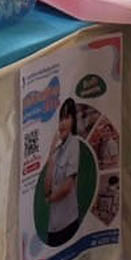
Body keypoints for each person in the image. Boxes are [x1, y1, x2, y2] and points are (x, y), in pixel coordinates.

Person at [42, 98, 86, 244]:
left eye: (67, 117)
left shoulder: (74, 143)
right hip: (53, 226)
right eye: (61, 118)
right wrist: (51, 151)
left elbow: (67, 187)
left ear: (73, 119)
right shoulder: (57, 149)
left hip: (69, 222)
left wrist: (49, 200)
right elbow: (47, 189)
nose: (63, 123)